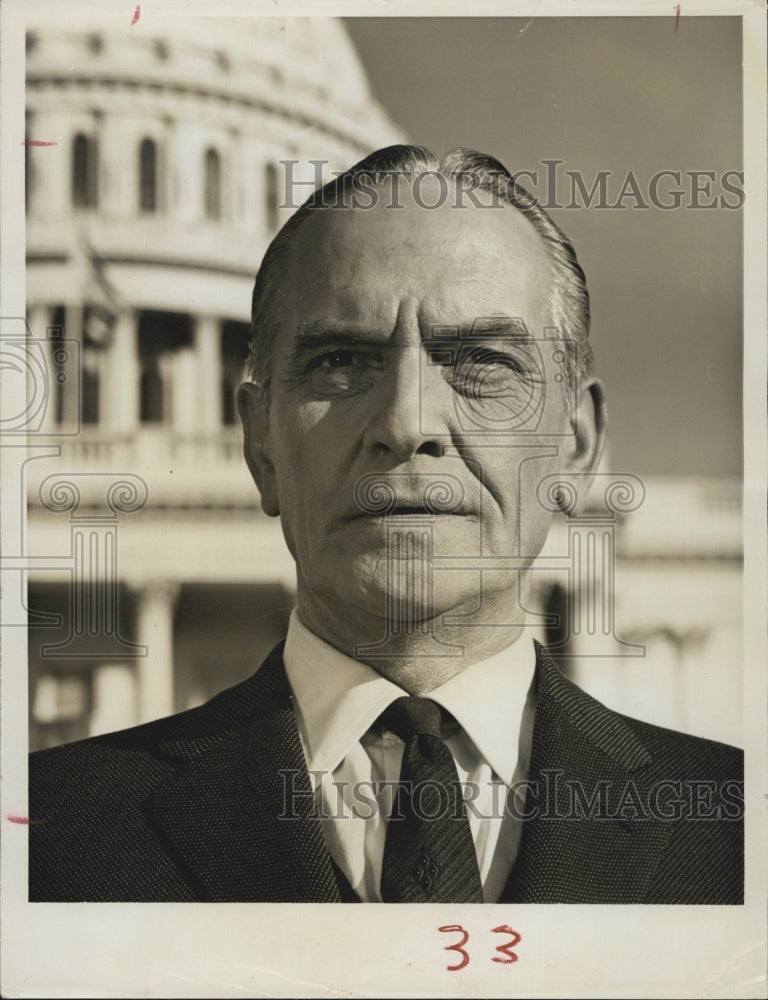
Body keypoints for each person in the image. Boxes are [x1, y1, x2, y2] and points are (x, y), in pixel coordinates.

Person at [29, 145, 743, 903]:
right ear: (260, 443)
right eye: (341, 361)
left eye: (479, 361)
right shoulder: (44, 842)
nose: (406, 422)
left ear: (576, 446)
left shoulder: (739, 835)